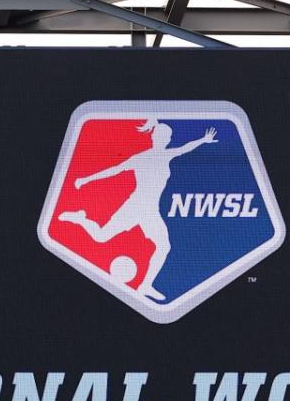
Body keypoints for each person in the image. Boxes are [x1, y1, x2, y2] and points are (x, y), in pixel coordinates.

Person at [59, 120, 217, 301]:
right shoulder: (142, 157)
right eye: (161, 135)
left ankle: (145, 286)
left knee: (164, 247)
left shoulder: (166, 155)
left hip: (149, 210)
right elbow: (114, 170)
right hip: (135, 206)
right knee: (101, 237)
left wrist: (203, 140)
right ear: (154, 137)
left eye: (167, 137)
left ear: (168, 139)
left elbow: (184, 148)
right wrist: (86, 179)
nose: (165, 139)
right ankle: (80, 219)